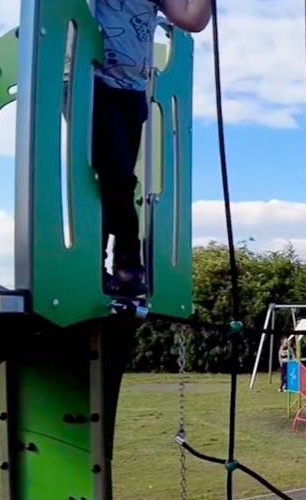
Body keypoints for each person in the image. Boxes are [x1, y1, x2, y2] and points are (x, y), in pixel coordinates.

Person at [94, 0, 212, 296]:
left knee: (116, 182)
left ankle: (111, 265)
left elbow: (192, 20)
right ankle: (125, 260)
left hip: (133, 90)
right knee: (116, 177)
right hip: (93, 81)